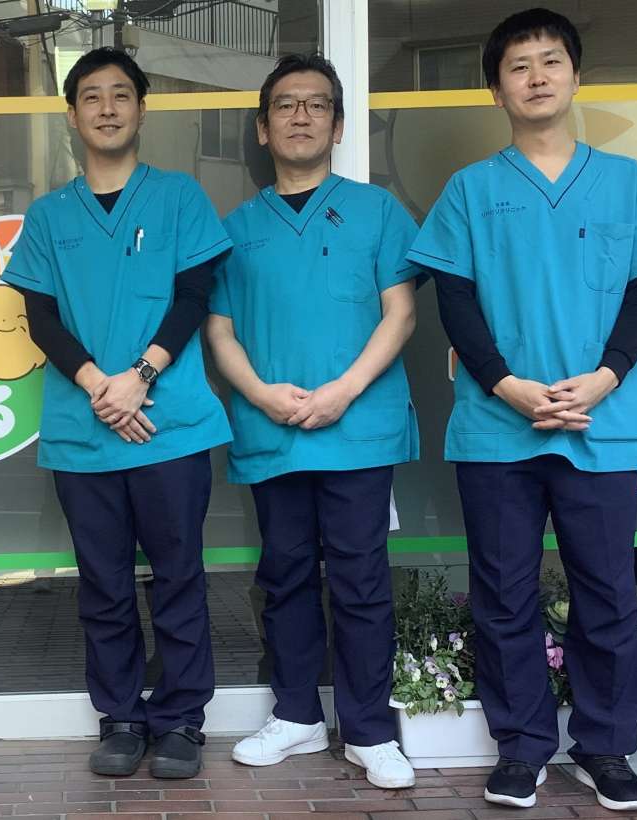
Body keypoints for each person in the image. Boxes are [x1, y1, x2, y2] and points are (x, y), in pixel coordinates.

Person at [406, 8, 637, 811]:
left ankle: (606, 748)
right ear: (496, 90)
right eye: (518, 66)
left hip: (600, 422)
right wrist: (504, 384)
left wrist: (606, 377)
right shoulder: (472, 190)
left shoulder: (626, 181)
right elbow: (455, 300)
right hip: (498, 427)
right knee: (503, 594)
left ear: (574, 76)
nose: (536, 77)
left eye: (550, 61)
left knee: (606, 593)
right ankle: (523, 747)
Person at [3, 47, 232, 779]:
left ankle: (182, 719)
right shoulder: (49, 216)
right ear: (72, 116)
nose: (107, 108)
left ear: (141, 109)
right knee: (103, 584)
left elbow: (192, 297)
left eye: (121, 94)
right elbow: (41, 319)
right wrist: (103, 386)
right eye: (92, 97)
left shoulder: (179, 198)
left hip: (168, 425)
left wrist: (140, 377)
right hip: (86, 430)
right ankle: (122, 717)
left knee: (178, 577)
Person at [207, 53, 420, 789]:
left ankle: (369, 730)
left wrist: (345, 391)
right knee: (285, 575)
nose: (301, 116)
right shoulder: (235, 229)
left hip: (357, 429)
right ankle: (296, 715)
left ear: (338, 125)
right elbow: (219, 329)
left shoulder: (377, 211)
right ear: (262, 129)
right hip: (273, 430)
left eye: (317, 104)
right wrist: (261, 395)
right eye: (286, 105)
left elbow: (400, 313)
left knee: (361, 579)